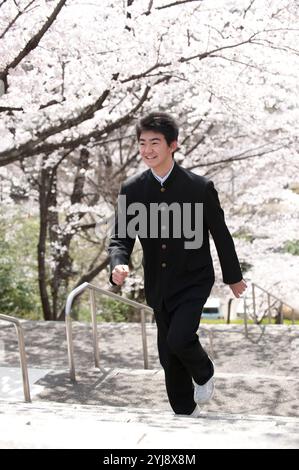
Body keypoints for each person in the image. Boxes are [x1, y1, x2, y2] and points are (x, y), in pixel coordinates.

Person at [108, 112, 247, 417]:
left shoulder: (199, 187)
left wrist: (233, 277)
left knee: (179, 337)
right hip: (158, 282)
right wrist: (118, 263)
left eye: (154, 142)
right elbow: (121, 236)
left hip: (194, 279)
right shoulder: (132, 189)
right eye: (142, 143)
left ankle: (204, 370)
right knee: (168, 355)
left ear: (173, 145)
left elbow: (221, 235)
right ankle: (185, 413)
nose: (147, 150)